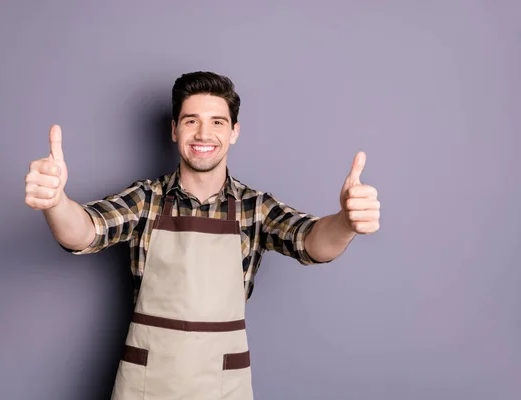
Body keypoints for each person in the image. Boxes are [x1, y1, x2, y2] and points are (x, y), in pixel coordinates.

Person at [24, 71, 380, 400]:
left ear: (234, 132)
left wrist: (346, 222)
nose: (204, 134)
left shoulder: (253, 208)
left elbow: (310, 241)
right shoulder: (147, 199)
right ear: (175, 129)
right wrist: (55, 202)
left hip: (223, 386)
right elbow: (86, 231)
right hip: (145, 384)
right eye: (191, 121)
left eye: (217, 122)